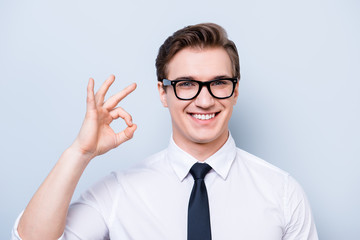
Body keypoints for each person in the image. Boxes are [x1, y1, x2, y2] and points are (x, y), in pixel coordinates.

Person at [12, 23, 318, 240]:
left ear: (235, 91)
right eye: (186, 84)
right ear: (163, 92)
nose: (205, 99)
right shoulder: (120, 191)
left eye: (219, 83)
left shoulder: (282, 192)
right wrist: (79, 153)